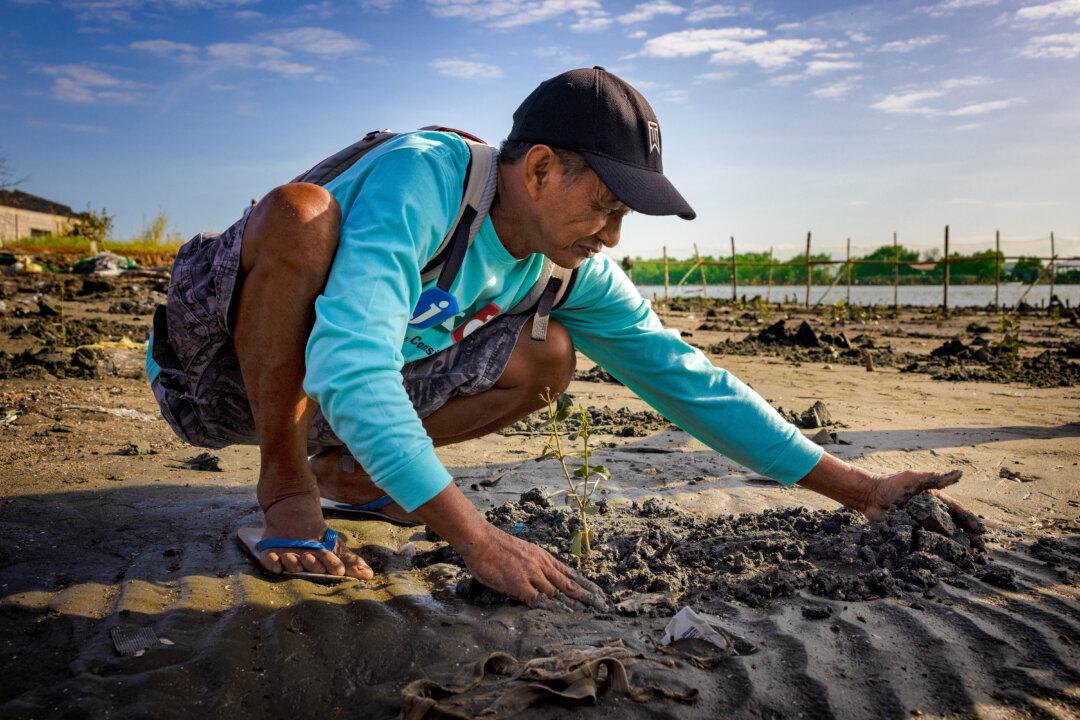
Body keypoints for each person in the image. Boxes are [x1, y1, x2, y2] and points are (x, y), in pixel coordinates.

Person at [147, 67, 982, 608]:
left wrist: (858, 488)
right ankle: (289, 487)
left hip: (329, 398)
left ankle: (350, 472)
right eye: (608, 206)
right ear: (540, 168)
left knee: (549, 354)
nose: (613, 235)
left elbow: (684, 376)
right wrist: (472, 536)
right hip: (212, 373)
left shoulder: (564, 263)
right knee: (301, 214)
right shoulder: (427, 177)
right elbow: (350, 361)